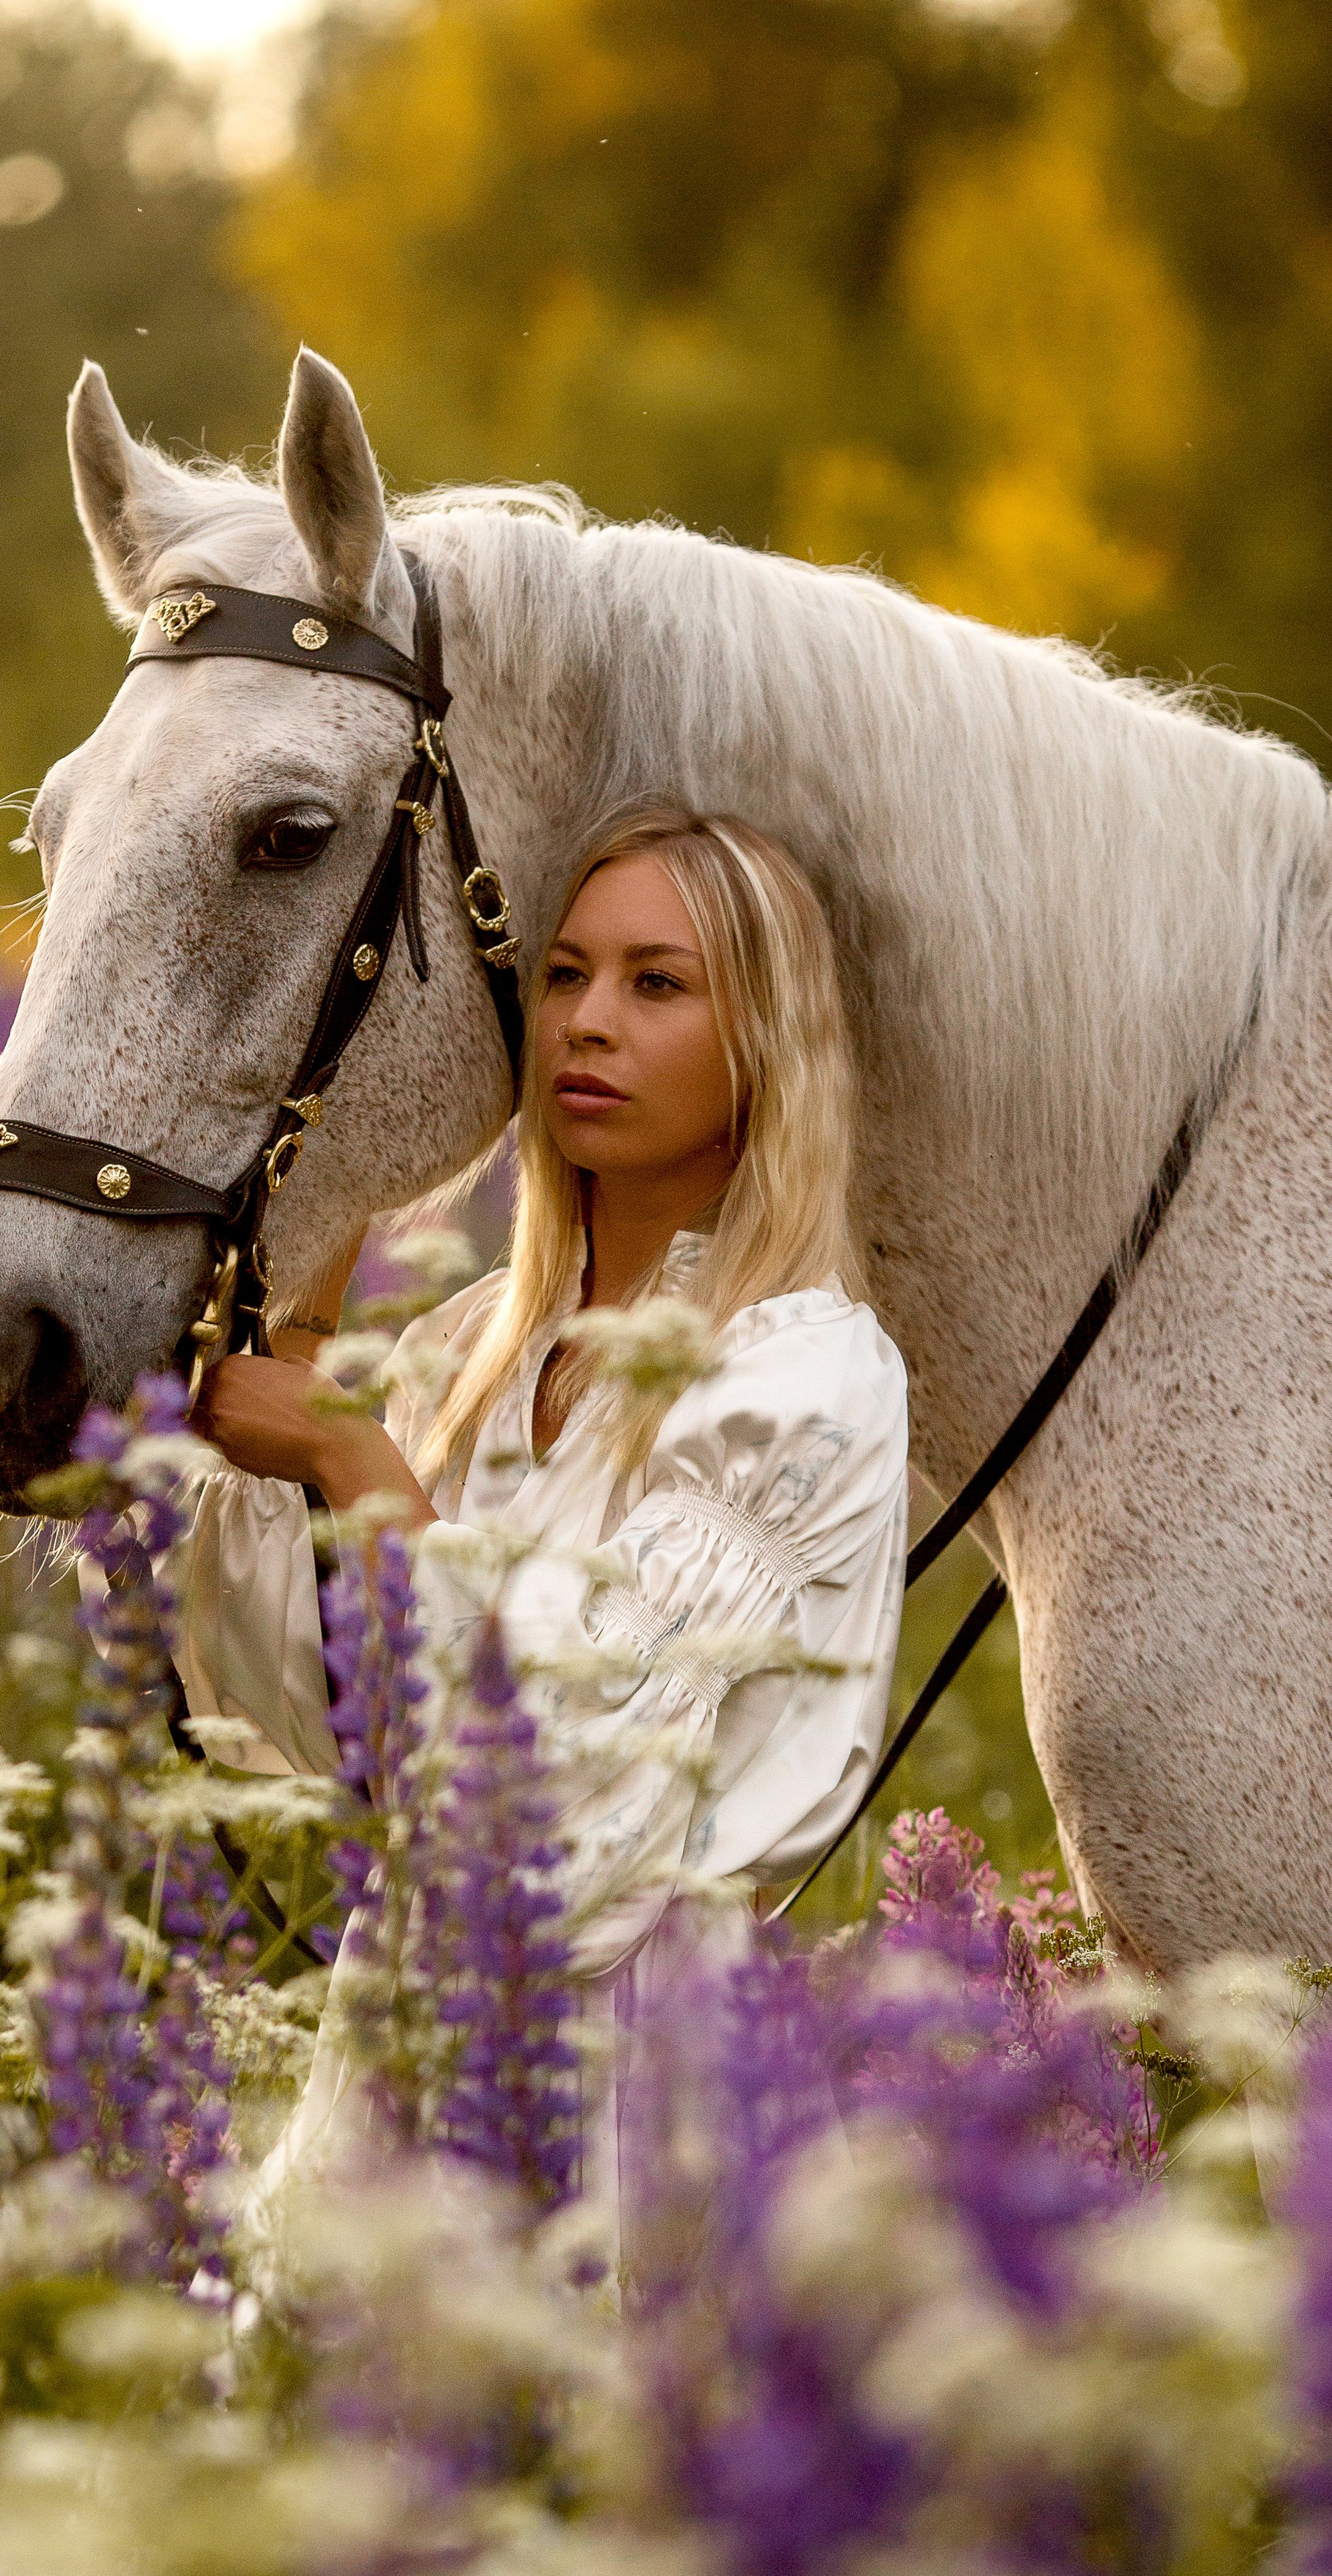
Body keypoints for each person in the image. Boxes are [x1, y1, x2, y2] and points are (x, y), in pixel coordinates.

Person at [183, 801, 909, 2221]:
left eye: (659, 984)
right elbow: (309, 1718)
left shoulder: (801, 1375)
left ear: (767, 1043)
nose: (587, 1022)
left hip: (642, 2097)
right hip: (406, 2043)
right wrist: (307, 1317)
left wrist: (359, 1474)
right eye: (566, 975)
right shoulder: (471, 1355)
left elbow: (574, 1808)